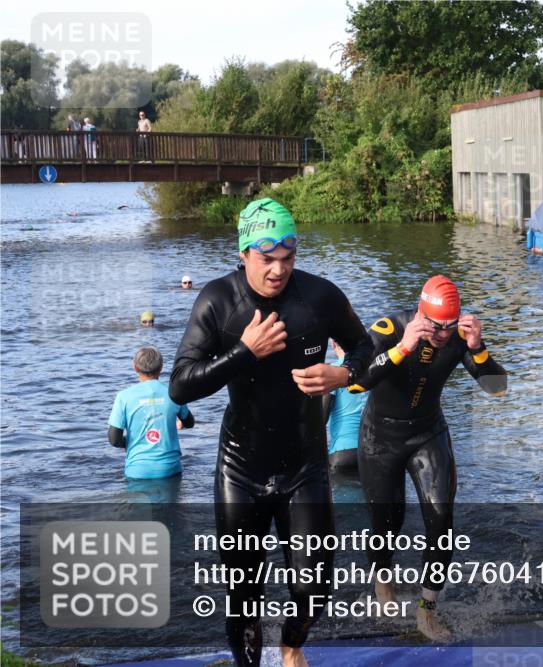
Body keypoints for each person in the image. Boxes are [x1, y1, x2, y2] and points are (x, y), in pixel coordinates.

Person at [169, 198, 374, 667]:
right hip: (241, 469)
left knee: (315, 586)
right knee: (243, 594)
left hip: (305, 466)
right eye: (267, 259)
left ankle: (291, 646)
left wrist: (344, 375)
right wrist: (244, 351)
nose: (278, 269)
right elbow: (180, 384)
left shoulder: (319, 297)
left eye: (288, 257)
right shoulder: (219, 301)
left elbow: (366, 346)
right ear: (243, 253)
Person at [349, 275, 507, 642]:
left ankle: (426, 611)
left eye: (450, 326)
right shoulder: (390, 328)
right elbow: (355, 382)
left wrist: (478, 347)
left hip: (427, 433)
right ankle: (384, 588)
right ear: (421, 314)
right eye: (436, 326)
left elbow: (498, 388)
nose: (442, 334)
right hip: (380, 437)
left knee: (441, 518)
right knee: (387, 524)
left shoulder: (459, 336)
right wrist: (403, 348)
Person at [108, 347, 195, 480]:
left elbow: (114, 439)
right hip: (170, 470)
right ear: (161, 368)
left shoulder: (123, 397)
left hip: (137, 471)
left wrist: (127, 442)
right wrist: (182, 422)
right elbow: (189, 423)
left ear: (135, 368)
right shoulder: (174, 392)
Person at [323, 341, 368, 474]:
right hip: (372, 452)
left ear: (333, 344)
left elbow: (321, 419)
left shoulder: (332, 372)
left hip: (343, 453)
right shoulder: (374, 370)